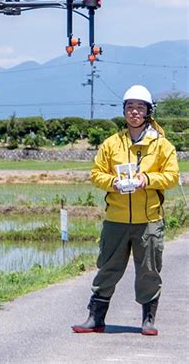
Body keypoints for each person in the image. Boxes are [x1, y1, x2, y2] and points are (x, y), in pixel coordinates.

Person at [72, 85, 179, 336]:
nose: (134, 112)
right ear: (124, 111)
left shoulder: (162, 145)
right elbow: (96, 174)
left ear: (148, 112)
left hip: (149, 219)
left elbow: (172, 176)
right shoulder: (111, 144)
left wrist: (147, 180)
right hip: (116, 219)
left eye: (140, 108)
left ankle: (148, 319)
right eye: (130, 107)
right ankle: (95, 318)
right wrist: (113, 183)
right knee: (108, 267)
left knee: (149, 270)